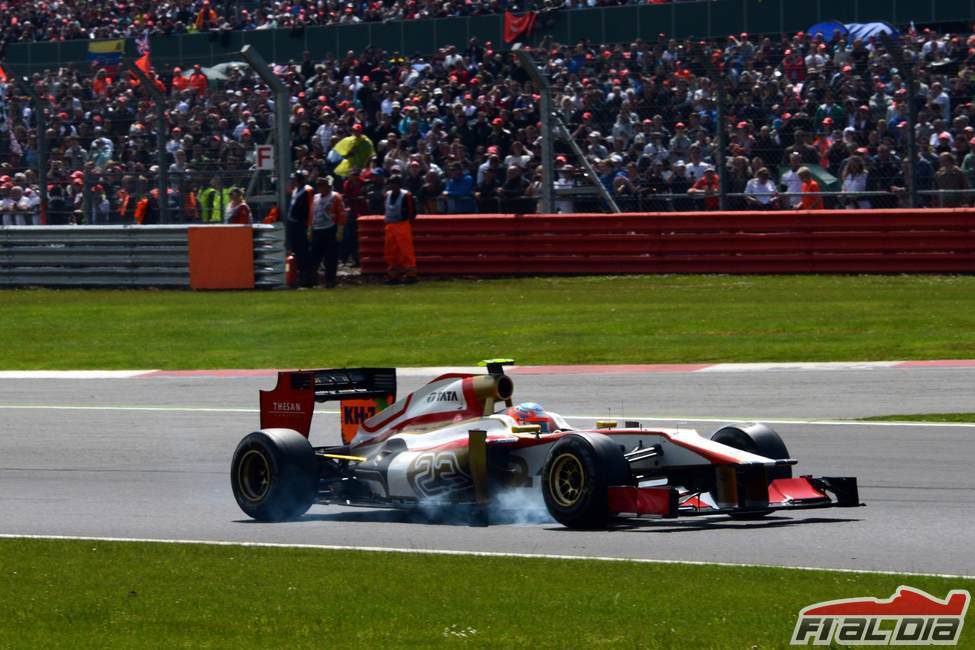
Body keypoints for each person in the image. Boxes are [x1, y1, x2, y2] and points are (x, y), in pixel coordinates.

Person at [308, 176, 347, 288]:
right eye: (319, 185)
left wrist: (340, 229)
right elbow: (312, 214)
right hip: (317, 230)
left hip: (330, 229)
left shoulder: (335, 197)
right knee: (314, 257)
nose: (320, 187)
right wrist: (310, 228)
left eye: (323, 185)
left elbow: (341, 214)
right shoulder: (315, 198)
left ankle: (330, 280)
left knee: (330, 257)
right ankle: (312, 279)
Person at [383, 175, 418, 285]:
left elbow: (412, 212)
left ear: (399, 184)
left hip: (402, 224)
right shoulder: (387, 195)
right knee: (390, 251)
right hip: (390, 225)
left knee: (406, 250)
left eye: (395, 183)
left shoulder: (406, 195)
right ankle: (393, 275)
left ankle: (411, 275)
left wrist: (407, 223)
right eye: (391, 183)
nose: (393, 185)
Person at [285, 172, 316, 288]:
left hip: (302, 225)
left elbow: (311, 209)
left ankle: (308, 278)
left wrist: (309, 227)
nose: (293, 182)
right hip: (294, 226)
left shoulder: (308, 190)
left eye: (294, 179)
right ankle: (298, 277)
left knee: (305, 253)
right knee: (296, 252)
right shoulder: (295, 190)